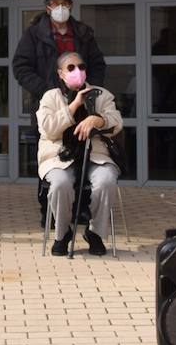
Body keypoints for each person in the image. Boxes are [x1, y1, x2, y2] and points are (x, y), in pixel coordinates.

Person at [37, 50, 123, 256]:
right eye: (71, 68)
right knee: (60, 184)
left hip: (96, 155)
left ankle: (94, 233)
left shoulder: (102, 94)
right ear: (60, 73)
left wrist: (98, 119)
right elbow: (48, 129)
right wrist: (74, 105)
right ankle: (62, 234)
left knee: (107, 180)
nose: (77, 71)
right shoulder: (51, 97)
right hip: (59, 158)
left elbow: (117, 122)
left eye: (81, 67)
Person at [12, 0, 107, 116]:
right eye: (55, 4)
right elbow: (21, 68)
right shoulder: (34, 34)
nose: (60, 7)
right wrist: (46, 91)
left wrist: (88, 90)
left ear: (71, 6)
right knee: (50, 136)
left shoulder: (83, 33)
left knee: (80, 135)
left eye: (64, 3)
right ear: (48, 8)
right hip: (47, 105)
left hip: (81, 105)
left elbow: (97, 65)